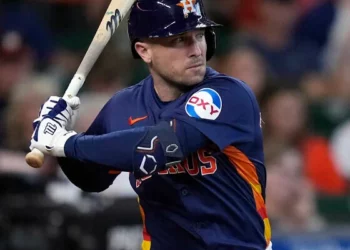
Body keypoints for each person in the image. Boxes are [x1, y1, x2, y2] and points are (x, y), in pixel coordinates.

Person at [30, 0, 272, 249]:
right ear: (144, 51)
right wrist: (58, 134)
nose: (197, 50)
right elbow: (92, 179)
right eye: (179, 40)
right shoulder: (123, 106)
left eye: (199, 35)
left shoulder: (229, 95)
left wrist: (65, 143)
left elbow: (162, 146)